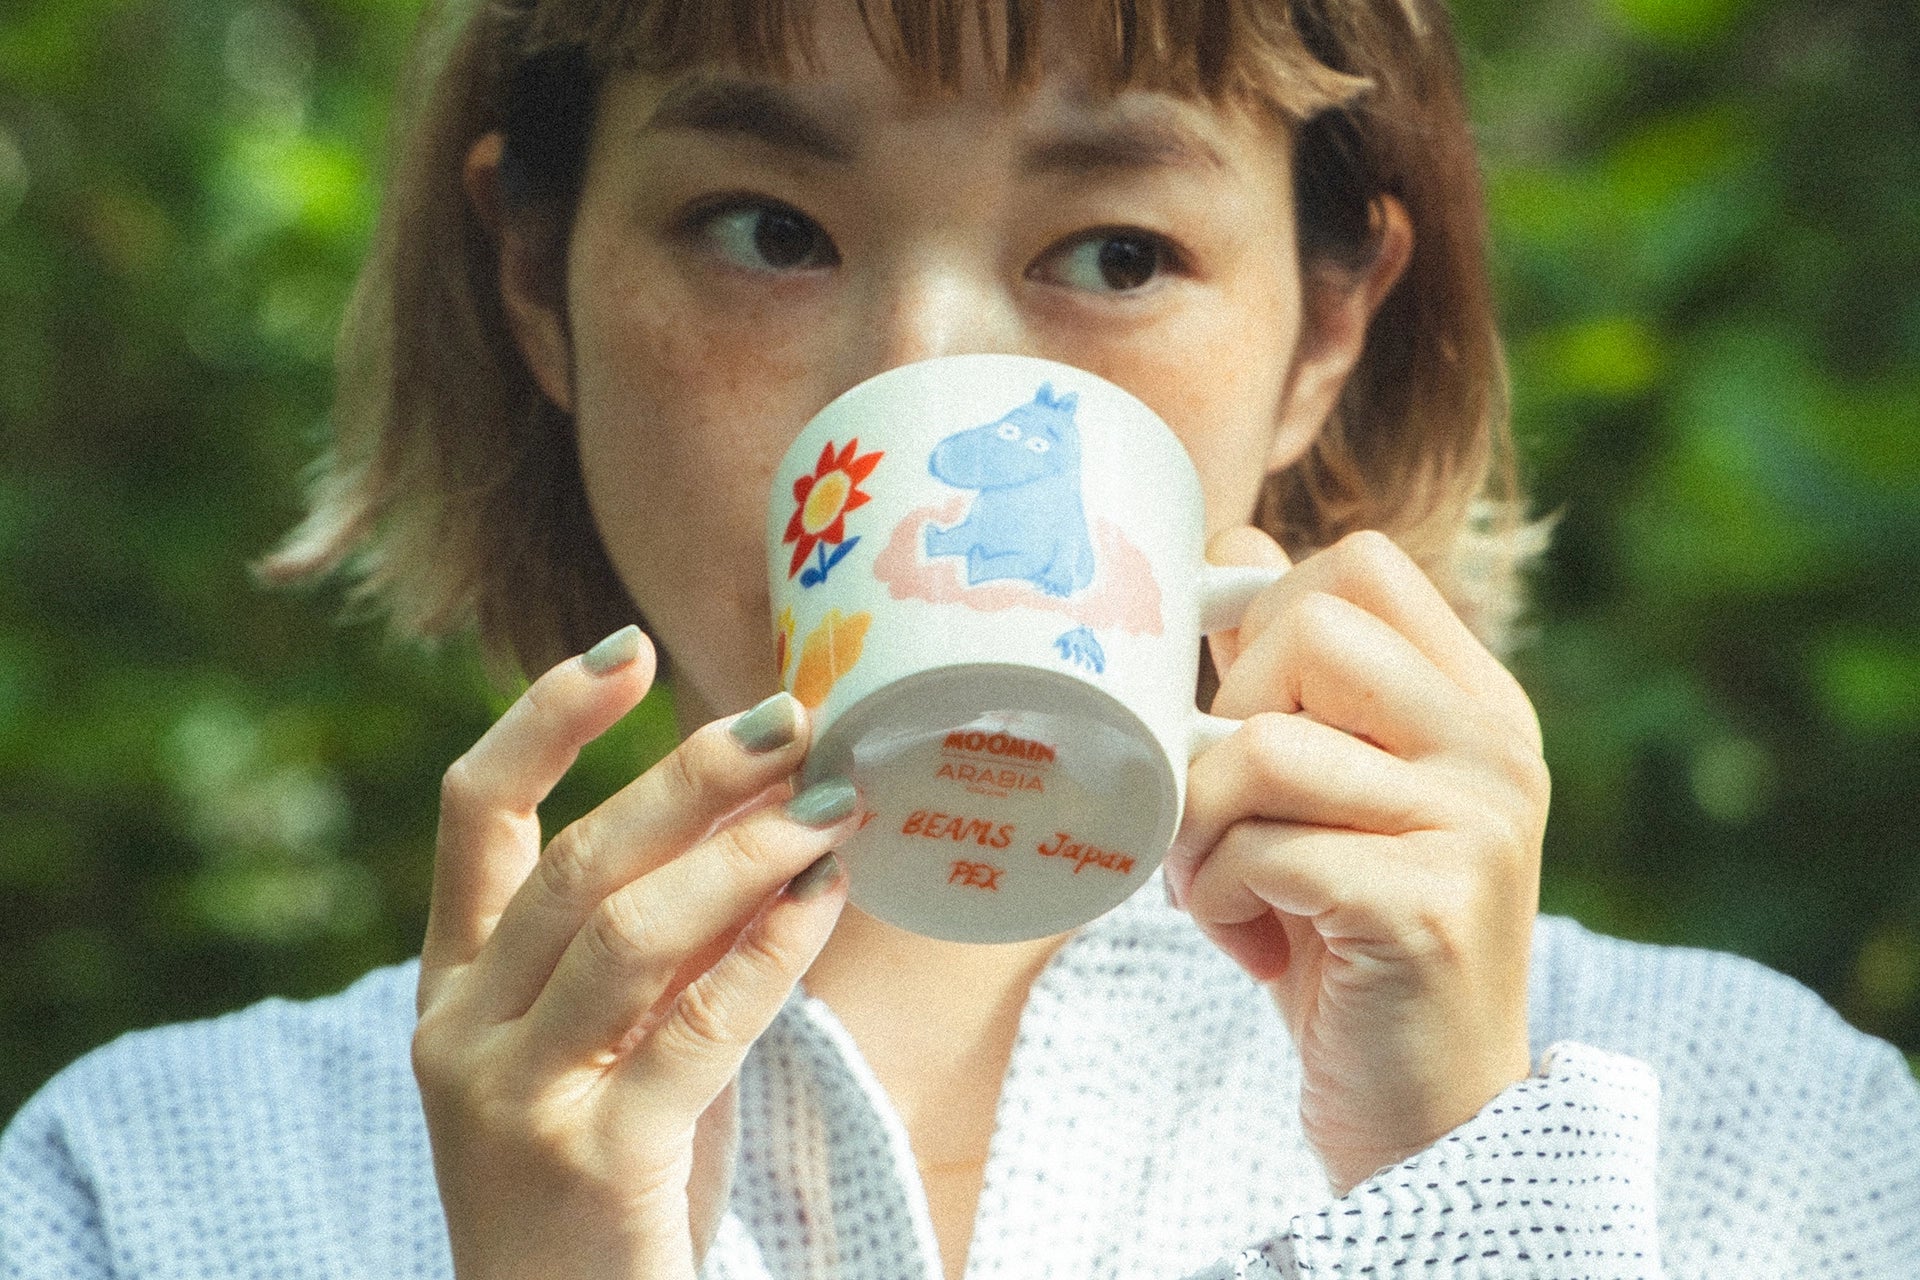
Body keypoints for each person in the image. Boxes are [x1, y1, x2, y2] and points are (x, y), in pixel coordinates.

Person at [4, 1, 1917, 1277]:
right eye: (764, 225)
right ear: (538, 279)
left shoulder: (1766, 1148)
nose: (926, 368)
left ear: (1326, 329)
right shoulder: (144, 1191)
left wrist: (1462, 1189)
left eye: (1111, 252)